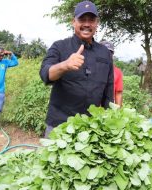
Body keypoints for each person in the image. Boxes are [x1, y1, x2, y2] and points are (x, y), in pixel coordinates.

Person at [40, 0, 113, 138]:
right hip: (60, 125)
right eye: (82, 19)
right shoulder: (59, 47)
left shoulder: (105, 53)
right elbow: (45, 74)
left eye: (91, 20)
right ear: (73, 22)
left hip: (91, 128)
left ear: (97, 23)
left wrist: (109, 121)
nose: (86, 24)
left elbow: (109, 92)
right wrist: (65, 65)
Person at [100, 41, 123, 106]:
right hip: (92, 109)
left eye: (110, 52)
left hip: (109, 108)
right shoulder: (91, 68)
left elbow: (118, 93)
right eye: (104, 52)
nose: (107, 55)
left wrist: (118, 111)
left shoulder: (117, 72)